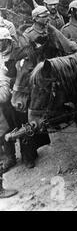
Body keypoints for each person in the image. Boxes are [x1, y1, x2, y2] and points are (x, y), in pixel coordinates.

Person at [0, 27, 16, 172]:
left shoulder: (15, 54)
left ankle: (26, 155)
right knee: (4, 129)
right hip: (4, 99)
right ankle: (9, 156)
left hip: (15, 94)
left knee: (17, 126)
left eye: (2, 42)